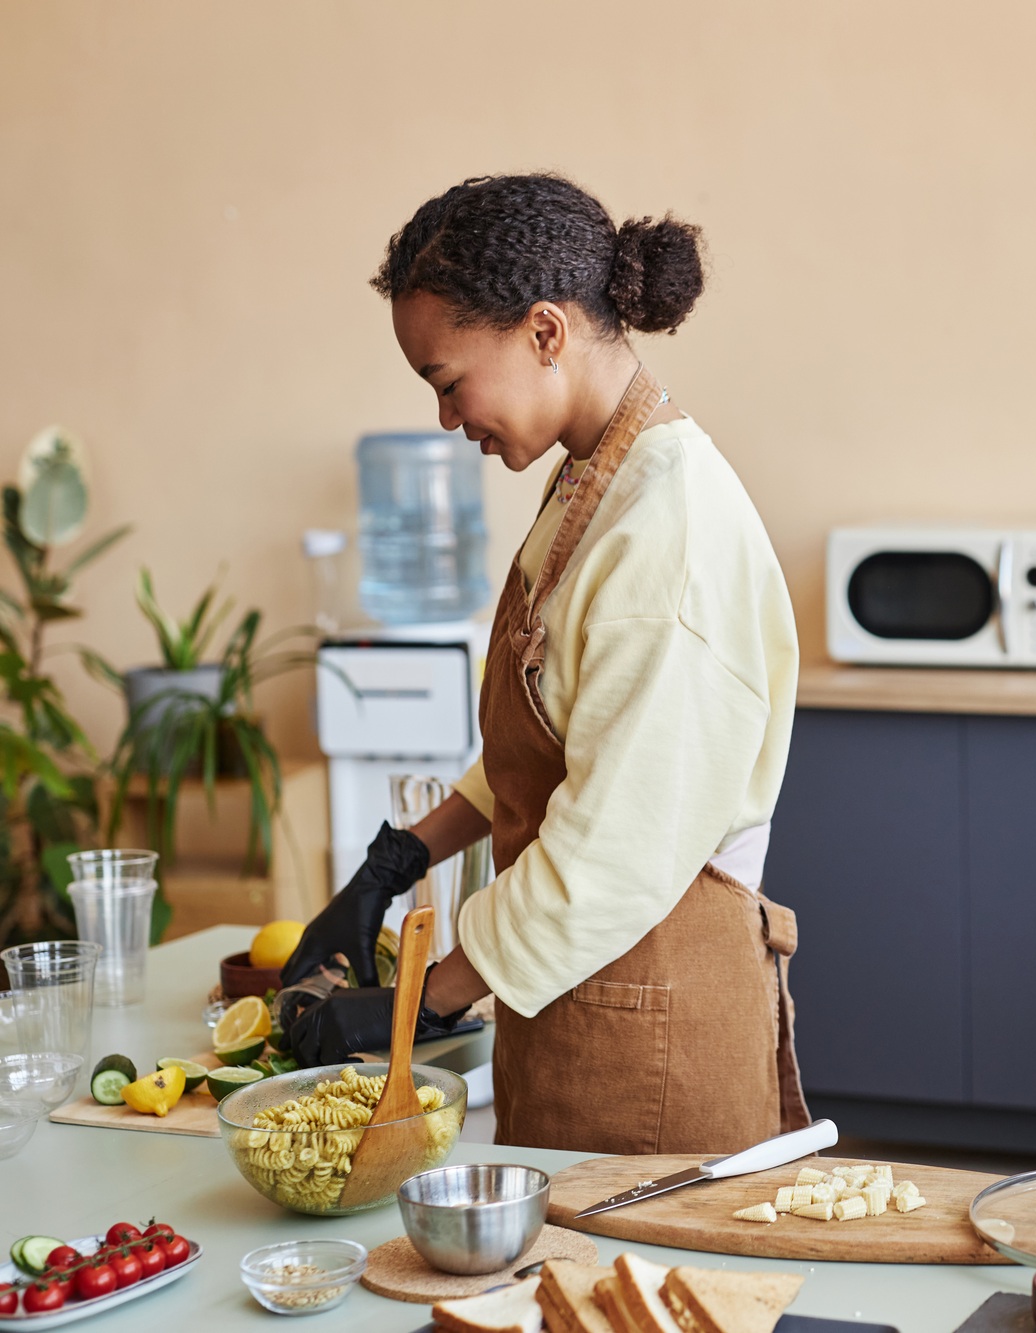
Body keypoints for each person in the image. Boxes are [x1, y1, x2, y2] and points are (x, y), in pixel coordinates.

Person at [282, 174, 807, 1155]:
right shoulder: (592, 480)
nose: (447, 420)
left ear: (544, 332)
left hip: (657, 1018)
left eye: (447, 382)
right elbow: (560, 739)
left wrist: (416, 1005)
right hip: (585, 993)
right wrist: (396, 859)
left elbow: (617, 843)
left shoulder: (668, 528)